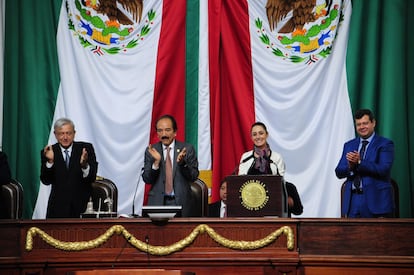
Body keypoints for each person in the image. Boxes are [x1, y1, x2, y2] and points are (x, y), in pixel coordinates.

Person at [335, 109, 395, 218]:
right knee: (351, 235)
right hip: (352, 201)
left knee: (377, 235)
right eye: (358, 124)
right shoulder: (349, 145)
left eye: (365, 123)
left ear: (373, 123)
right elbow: (338, 171)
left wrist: (359, 162)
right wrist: (350, 166)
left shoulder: (385, 144)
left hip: (376, 201)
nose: (362, 127)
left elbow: (383, 169)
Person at [237, 122, 303, 217]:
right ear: (251, 137)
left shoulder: (276, 157)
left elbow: (279, 182)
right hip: (252, 204)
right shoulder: (245, 157)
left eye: (261, 133)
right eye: (254, 134)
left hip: (273, 205)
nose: (258, 137)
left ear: (266, 134)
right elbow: (241, 182)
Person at [142, 114, 199, 217]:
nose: (164, 134)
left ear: (175, 132)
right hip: (157, 203)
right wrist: (156, 163)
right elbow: (147, 179)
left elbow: (193, 176)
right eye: (160, 131)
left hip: (182, 203)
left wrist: (182, 164)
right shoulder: (152, 150)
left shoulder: (187, 149)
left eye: (167, 130)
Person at [40, 118, 98, 218]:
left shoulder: (86, 149)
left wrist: (84, 165)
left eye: (68, 133)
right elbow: (46, 180)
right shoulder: (49, 151)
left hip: (82, 207)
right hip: (57, 209)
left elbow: (91, 177)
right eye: (61, 133)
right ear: (55, 134)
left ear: (74, 133)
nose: (65, 137)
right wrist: (50, 161)